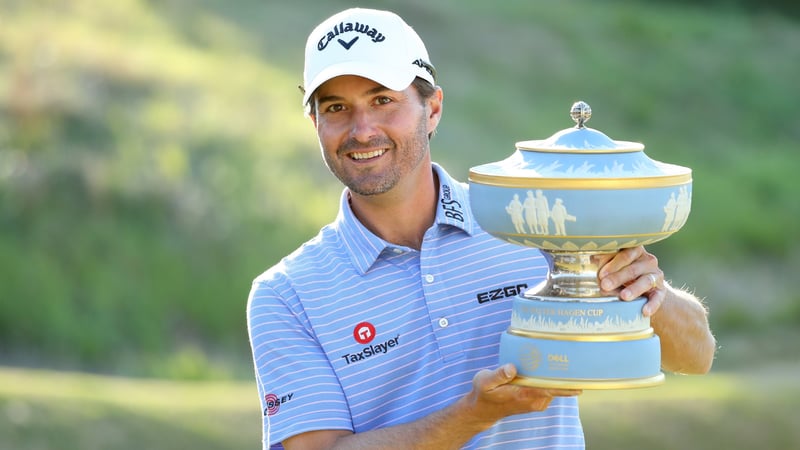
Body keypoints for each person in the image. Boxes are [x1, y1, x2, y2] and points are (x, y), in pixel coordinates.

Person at [247, 8, 716, 450]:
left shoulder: (530, 219)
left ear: (432, 110)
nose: (362, 129)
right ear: (315, 123)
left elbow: (696, 356)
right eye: (335, 108)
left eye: (383, 100)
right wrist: (471, 415)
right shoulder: (286, 295)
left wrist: (651, 295)